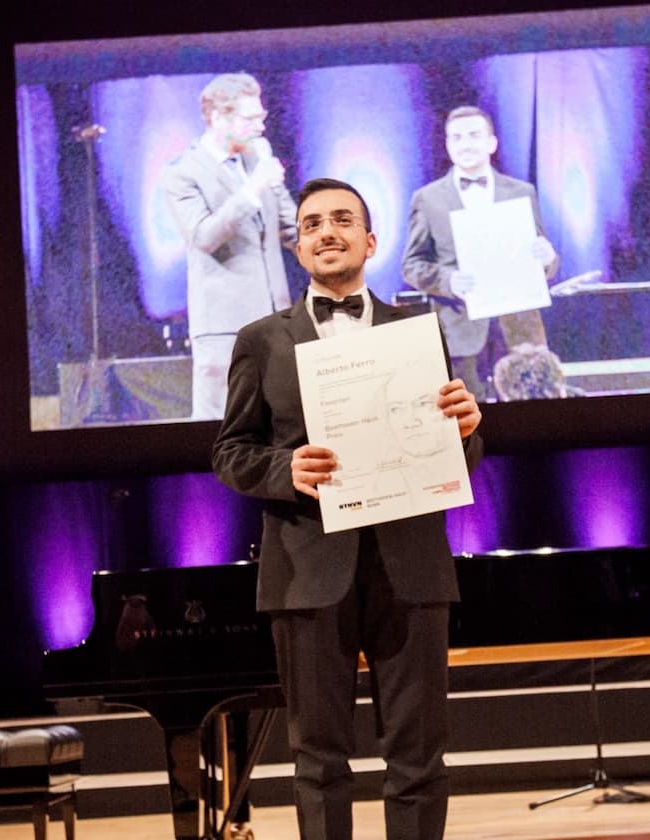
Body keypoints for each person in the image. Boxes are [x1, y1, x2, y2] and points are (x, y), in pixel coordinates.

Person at [213, 178, 483, 840]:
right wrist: (287, 469)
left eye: (341, 220)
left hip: (410, 566)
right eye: (311, 225)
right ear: (297, 246)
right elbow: (230, 452)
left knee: (419, 759)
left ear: (370, 240)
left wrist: (470, 430)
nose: (325, 232)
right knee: (318, 761)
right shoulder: (261, 340)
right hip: (308, 569)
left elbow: (454, 454)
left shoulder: (420, 330)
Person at [160, 72, 299, 420]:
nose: (260, 126)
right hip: (224, 328)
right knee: (225, 429)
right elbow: (204, 236)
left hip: (274, 320)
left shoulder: (257, 159)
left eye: (261, 117)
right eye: (250, 118)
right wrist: (252, 189)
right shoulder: (183, 172)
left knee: (279, 427)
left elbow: (290, 225)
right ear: (219, 118)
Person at [403, 105, 559, 402]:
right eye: (456, 138)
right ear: (448, 145)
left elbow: (544, 259)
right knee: (472, 428)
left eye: (474, 135)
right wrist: (448, 280)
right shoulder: (428, 199)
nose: (465, 144)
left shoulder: (521, 192)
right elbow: (412, 264)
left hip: (519, 330)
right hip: (461, 330)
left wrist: (548, 258)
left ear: (491, 142)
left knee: (531, 420)